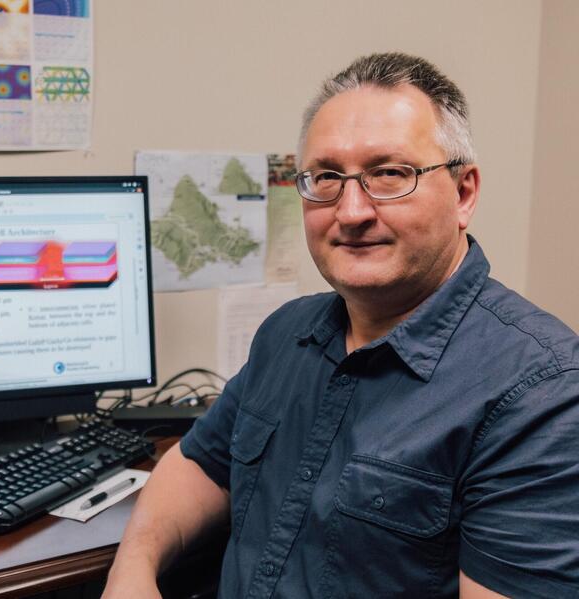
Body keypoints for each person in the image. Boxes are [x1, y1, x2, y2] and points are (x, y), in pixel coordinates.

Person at [102, 53, 579, 598]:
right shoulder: (288, 333)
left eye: (390, 174)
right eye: (327, 177)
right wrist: (132, 568)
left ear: (464, 193)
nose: (351, 211)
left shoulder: (543, 395)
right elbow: (198, 466)